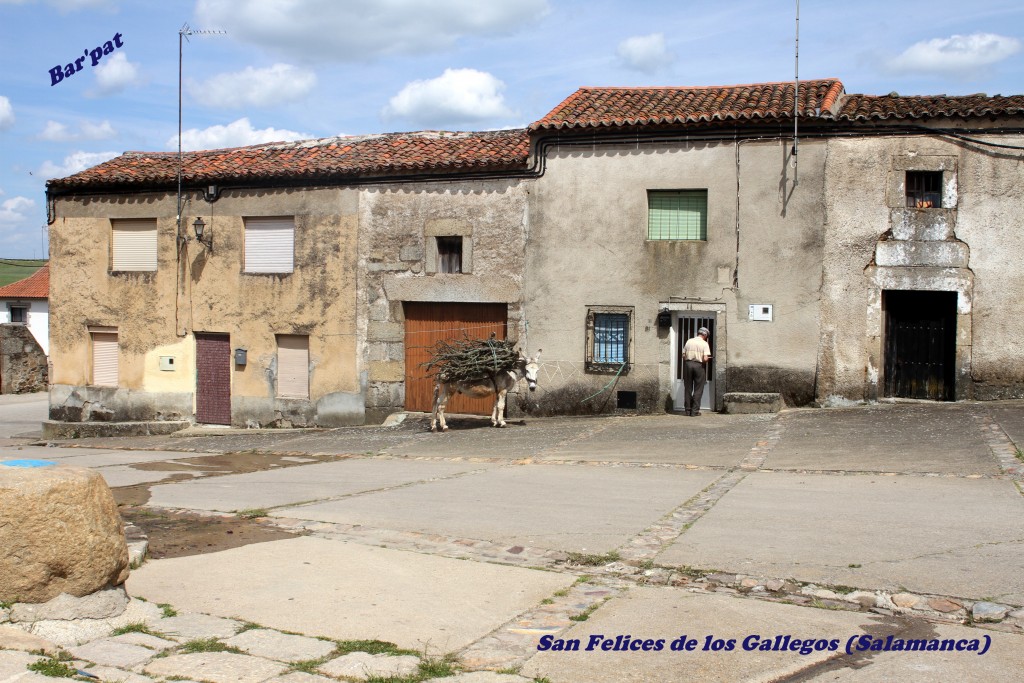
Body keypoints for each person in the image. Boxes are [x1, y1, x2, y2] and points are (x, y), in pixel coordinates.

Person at [682, 327, 712, 416]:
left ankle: (687, 410)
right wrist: (704, 360)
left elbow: (683, 355)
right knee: (698, 389)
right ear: (705, 335)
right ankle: (694, 411)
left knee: (688, 388)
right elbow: (705, 358)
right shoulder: (704, 344)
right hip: (699, 366)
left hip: (688, 364)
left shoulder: (689, 341)